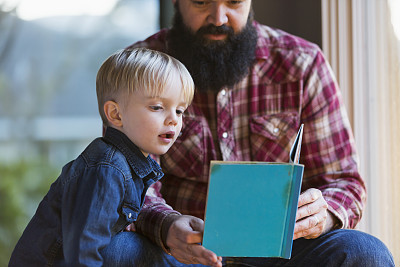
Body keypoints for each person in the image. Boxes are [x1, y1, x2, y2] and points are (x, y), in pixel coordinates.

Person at [104, 1, 395, 267]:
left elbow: (344, 180)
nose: (218, 18)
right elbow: (123, 181)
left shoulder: (304, 64)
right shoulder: (137, 72)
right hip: (179, 253)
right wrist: (166, 225)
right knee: (118, 251)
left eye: (234, 2)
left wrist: (324, 213)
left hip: (285, 253)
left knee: (365, 252)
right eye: (201, 2)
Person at [8, 48, 195, 266]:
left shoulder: (128, 162)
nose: (173, 119)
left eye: (180, 111)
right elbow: (83, 251)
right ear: (116, 114)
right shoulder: (107, 168)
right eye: (157, 107)